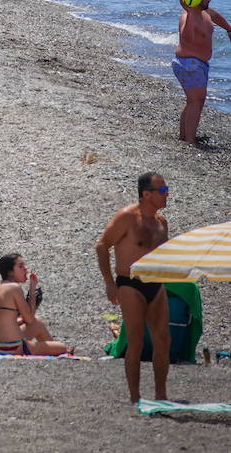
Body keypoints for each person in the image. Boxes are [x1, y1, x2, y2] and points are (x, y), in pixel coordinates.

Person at [95, 173, 171, 403]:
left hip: (156, 284)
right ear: (146, 194)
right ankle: (135, 397)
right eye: (162, 190)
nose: (167, 194)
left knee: (163, 339)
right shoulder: (127, 217)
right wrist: (109, 281)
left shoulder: (161, 222)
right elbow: (102, 245)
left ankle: (160, 394)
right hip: (130, 283)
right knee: (136, 341)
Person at [172, 0, 231, 145]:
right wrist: (187, 8)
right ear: (196, 1)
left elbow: (216, 16)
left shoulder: (204, 12)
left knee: (194, 101)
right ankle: (190, 141)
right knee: (195, 101)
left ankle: (185, 136)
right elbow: (186, 31)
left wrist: (228, 29)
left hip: (196, 64)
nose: (209, 0)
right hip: (189, 65)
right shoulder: (189, 18)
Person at [0, 253, 73, 356]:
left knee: (37, 322)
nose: (25, 269)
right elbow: (29, 319)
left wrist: (22, 319)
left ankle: (51, 349)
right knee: (62, 348)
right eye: (20, 266)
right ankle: (56, 351)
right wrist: (32, 290)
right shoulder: (14, 288)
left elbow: (6, 320)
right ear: (10, 272)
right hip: (12, 347)